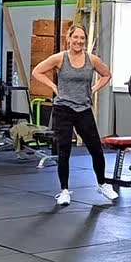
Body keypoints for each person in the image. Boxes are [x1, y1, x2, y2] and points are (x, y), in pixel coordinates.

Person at [31, 23, 118, 206]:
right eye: (75, 37)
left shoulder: (92, 60)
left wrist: (93, 89)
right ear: (69, 39)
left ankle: (102, 184)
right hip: (63, 109)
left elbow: (106, 75)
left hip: (83, 109)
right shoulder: (60, 58)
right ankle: (64, 190)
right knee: (64, 151)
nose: (79, 41)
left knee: (96, 149)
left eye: (82, 38)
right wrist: (54, 87)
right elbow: (37, 71)